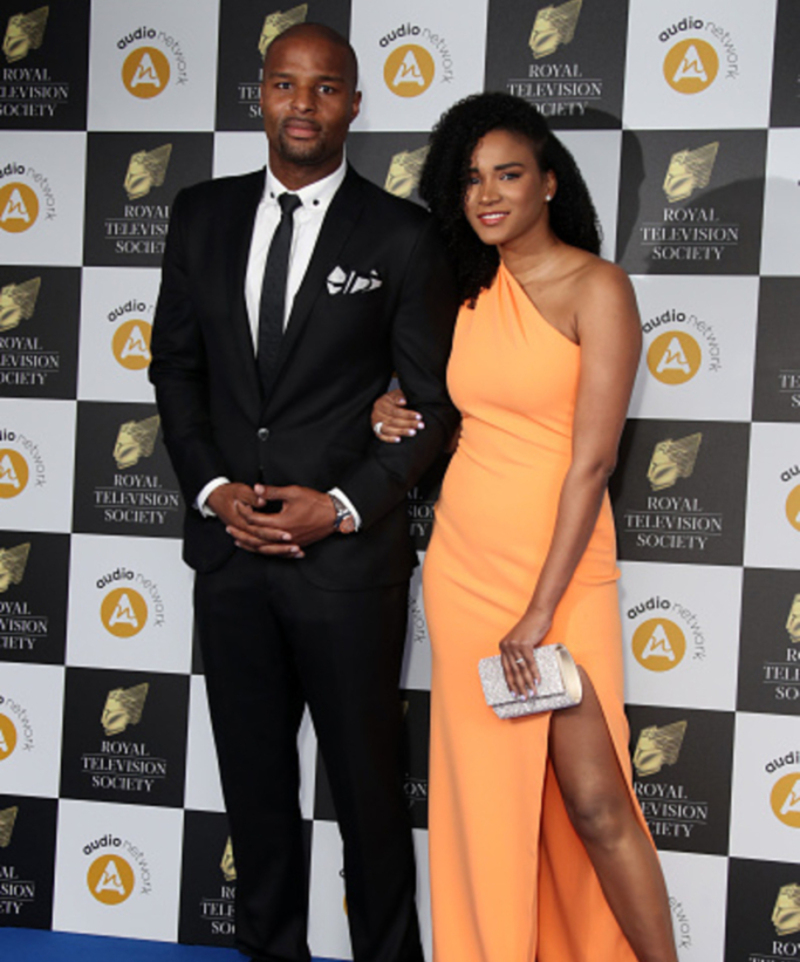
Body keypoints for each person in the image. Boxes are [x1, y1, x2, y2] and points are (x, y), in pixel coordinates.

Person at [149, 23, 459, 962]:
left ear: (355, 105)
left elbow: (435, 409)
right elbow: (175, 373)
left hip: (346, 565)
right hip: (231, 559)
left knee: (368, 791)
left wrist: (346, 503)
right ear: (260, 96)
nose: (303, 105)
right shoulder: (199, 215)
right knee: (254, 789)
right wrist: (211, 489)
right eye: (286, 84)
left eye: (326, 89)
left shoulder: (404, 236)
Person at [370, 93, 679, 962]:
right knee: (489, 802)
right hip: (468, 568)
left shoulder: (598, 287)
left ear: (549, 181)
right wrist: (387, 404)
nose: (488, 194)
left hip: (561, 573)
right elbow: (439, 401)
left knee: (593, 797)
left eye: (508, 174)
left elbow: (593, 462)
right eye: (470, 179)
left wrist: (542, 610)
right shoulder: (463, 293)